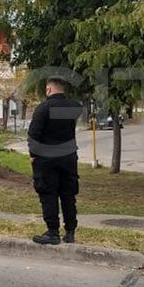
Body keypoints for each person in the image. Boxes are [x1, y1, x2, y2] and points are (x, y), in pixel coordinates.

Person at [27, 77, 83, 245]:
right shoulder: (74, 107)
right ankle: (70, 231)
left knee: (48, 194)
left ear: (49, 90)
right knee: (68, 194)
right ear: (63, 89)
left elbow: (33, 134)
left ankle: (52, 232)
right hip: (68, 157)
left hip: (47, 159)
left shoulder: (43, 108)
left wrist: (32, 155)